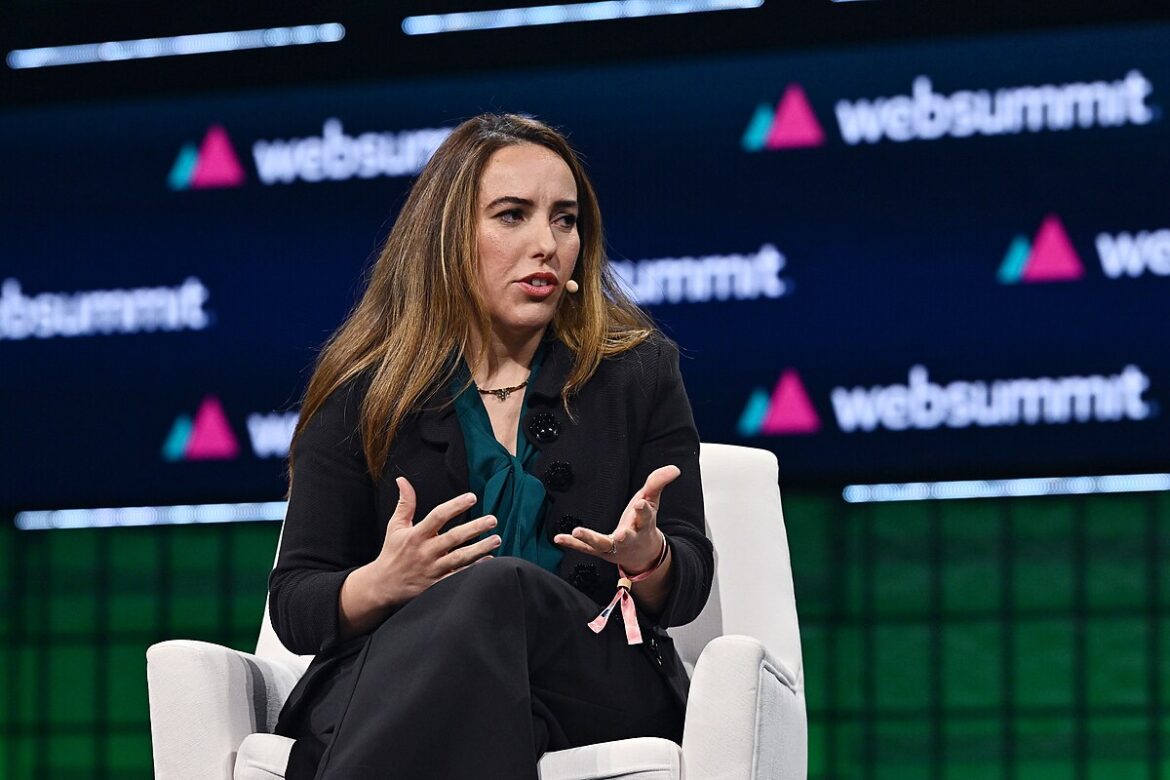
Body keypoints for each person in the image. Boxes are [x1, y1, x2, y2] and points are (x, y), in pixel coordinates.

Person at [268, 113, 713, 780]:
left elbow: (691, 580)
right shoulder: (364, 390)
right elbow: (296, 603)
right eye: (512, 216)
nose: (547, 244)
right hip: (405, 674)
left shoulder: (638, 373)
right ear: (448, 238)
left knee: (498, 587)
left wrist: (651, 559)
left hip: (591, 675)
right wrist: (382, 584)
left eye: (565, 220)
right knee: (485, 701)